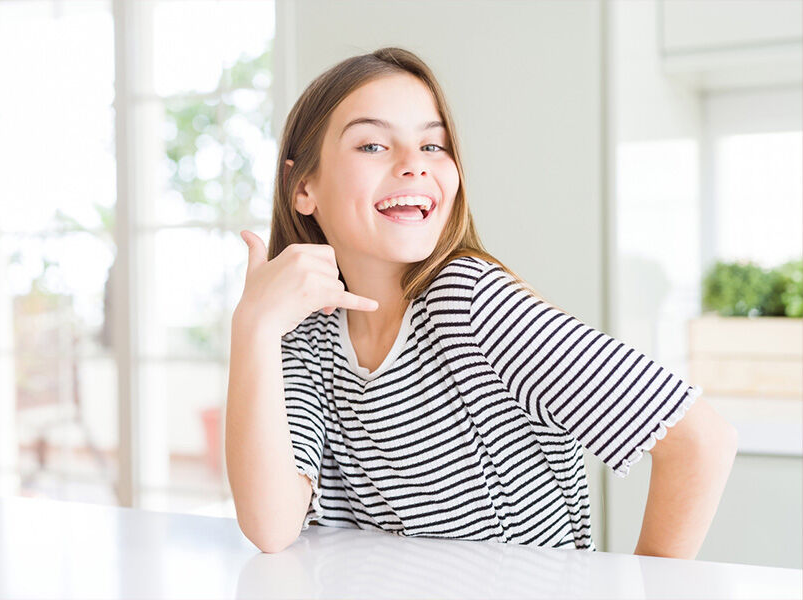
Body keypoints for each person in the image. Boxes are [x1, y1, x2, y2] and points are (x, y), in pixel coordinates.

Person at [225, 47, 738, 557]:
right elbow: (271, 526)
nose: (414, 166)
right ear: (303, 186)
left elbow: (699, 442)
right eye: (373, 146)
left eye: (434, 145)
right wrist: (255, 325)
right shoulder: (309, 330)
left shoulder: (469, 300)